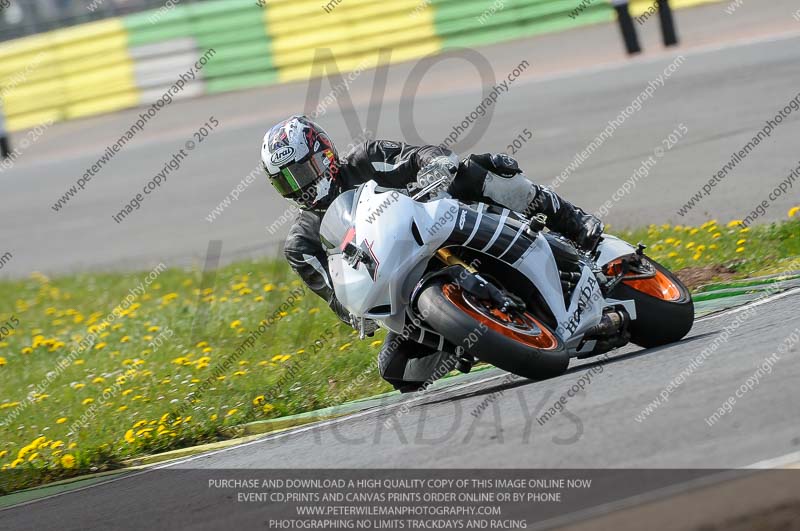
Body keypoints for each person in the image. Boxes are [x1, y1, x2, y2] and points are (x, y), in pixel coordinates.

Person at [262, 115, 602, 391]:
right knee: (396, 370)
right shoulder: (302, 243)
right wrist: (354, 312)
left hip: (435, 221)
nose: (299, 187)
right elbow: (334, 295)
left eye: (301, 173)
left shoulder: (366, 159)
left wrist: (435, 166)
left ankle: (573, 222)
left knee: (481, 169)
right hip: (398, 286)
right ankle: (477, 340)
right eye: (286, 182)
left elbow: (420, 154)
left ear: (325, 156)